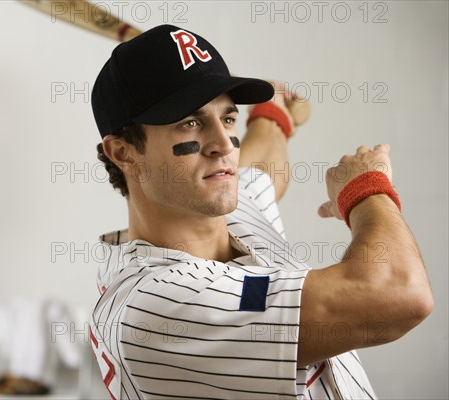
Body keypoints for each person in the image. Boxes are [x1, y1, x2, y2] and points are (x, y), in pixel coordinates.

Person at [88, 24, 433, 399]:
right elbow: (400, 294)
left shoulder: (219, 204)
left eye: (228, 117)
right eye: (190, 122)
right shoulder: (155, 307)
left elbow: (262, 165)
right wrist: (365, 188)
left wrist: (273, 112)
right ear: (124, 153)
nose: (223, 144)